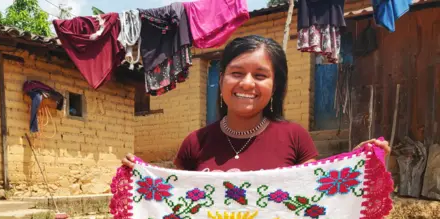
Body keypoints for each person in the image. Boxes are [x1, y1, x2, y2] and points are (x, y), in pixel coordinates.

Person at [122, 35, 390, 171]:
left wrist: (352, 164)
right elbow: (172, 202)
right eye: (236, 73)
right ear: (223, 78)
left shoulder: (295, 138)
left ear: (275, 86)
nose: (247, 84)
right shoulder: (195, 143)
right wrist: (144, 175)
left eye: (260, 76)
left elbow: (317, 192)